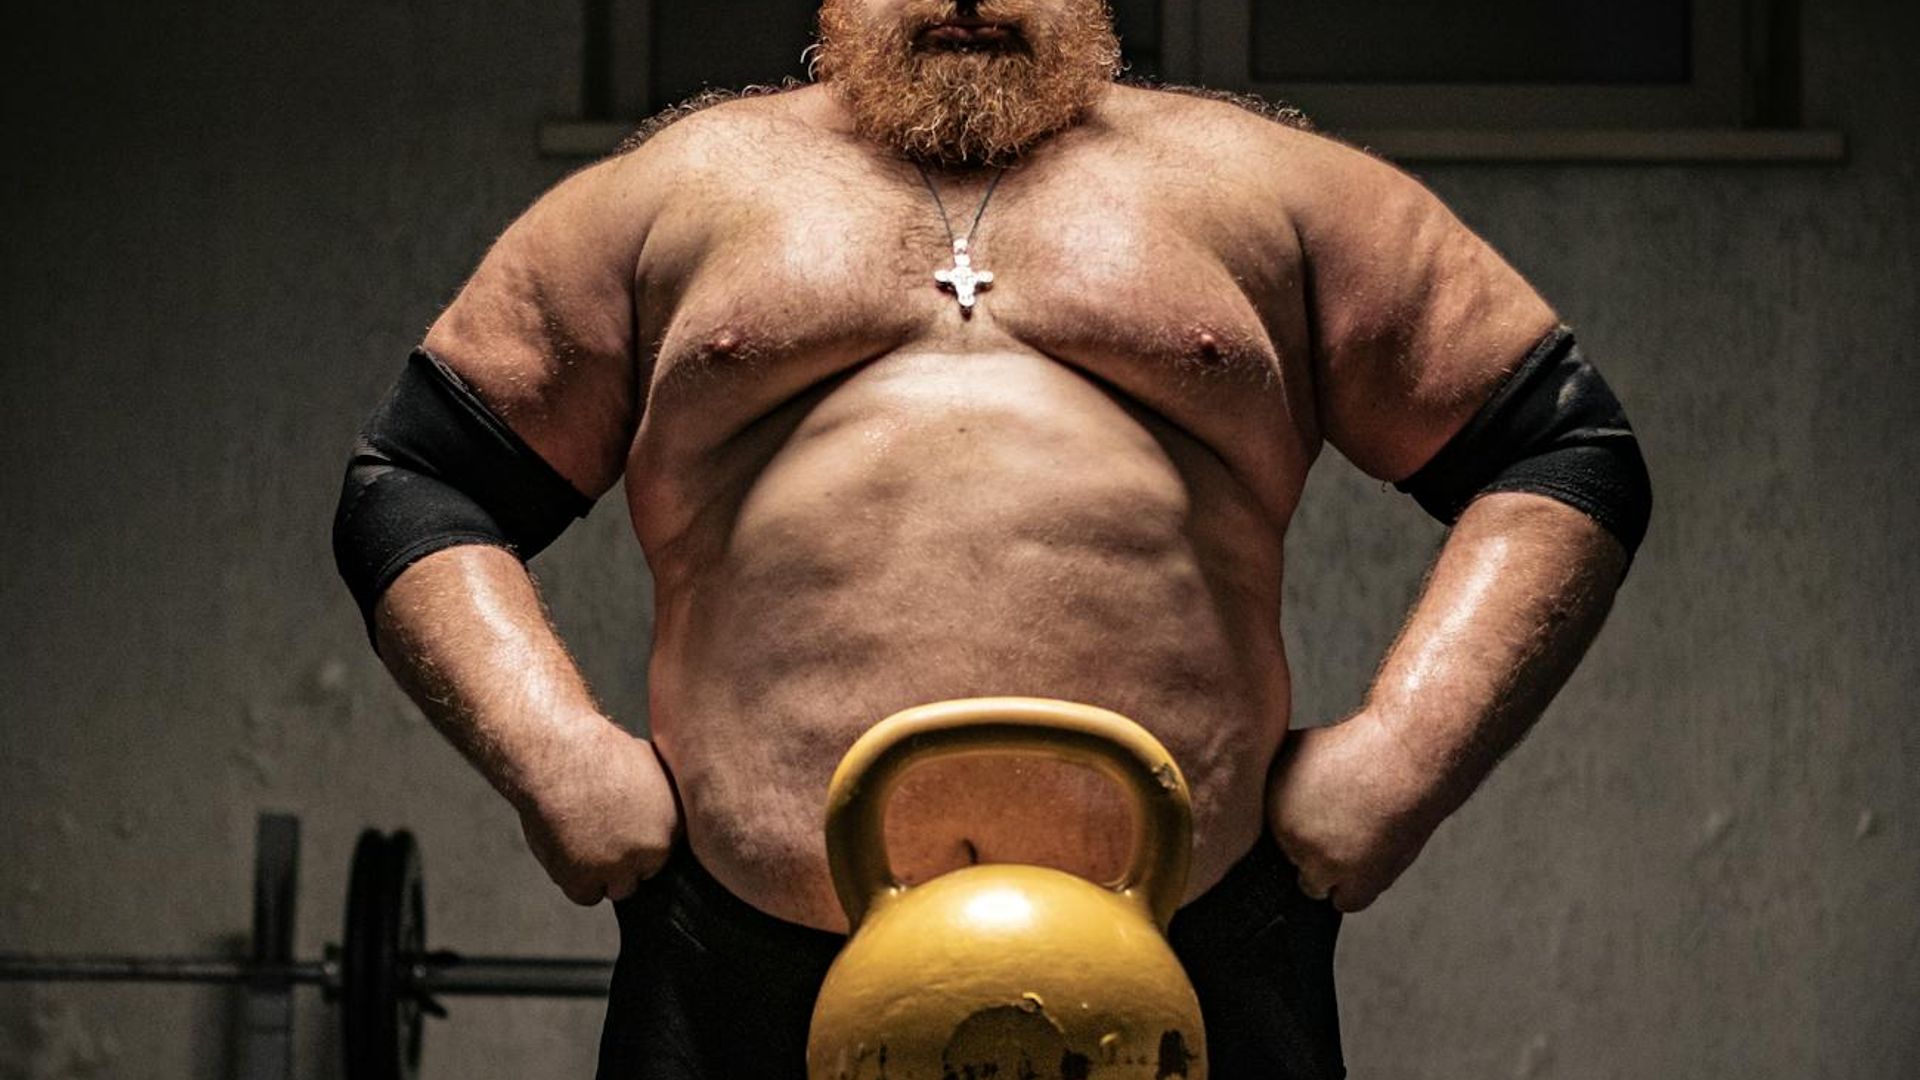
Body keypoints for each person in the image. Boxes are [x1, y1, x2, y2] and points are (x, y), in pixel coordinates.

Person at [331, 1, 1651, 1076]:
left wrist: (1404, 761)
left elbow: (1558, 447)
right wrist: (556, 758)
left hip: (1196, 950)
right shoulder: (670, 193)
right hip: (744, 968)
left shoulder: (1278, 191)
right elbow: (421, 480)